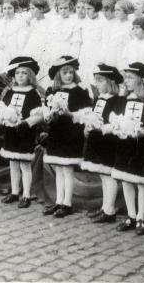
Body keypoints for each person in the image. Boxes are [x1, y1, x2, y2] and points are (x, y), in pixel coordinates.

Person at [111, 62, 144, 236]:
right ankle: (131, 215)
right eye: (126, 77)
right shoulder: (123, 100)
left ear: (141, 80)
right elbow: (115, 119)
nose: (126, 81)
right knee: (126, 180)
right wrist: (117, 128)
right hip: (125, 146)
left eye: (130, 77)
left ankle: (141, 216)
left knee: (141, 182)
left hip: (143, 147)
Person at [41, 56, 92, 218]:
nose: (68, 75)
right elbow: (46, 109)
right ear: (58, 74)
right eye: (65, 72)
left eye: (71, 72)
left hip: (71, 133)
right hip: (56, 132)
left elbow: (85, 113)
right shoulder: (53, 91)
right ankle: (59, 201)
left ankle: (67, 203)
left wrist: (69, 113)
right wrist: (49, 115)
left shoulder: (79, 91)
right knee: (59, 169)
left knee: (68, 169)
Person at [0, 57, 43, 208]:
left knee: (24, 164)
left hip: (25, 132)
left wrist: (24, 122)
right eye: (18, 73)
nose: (21, 76)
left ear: (30, 76)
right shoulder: (10, 92)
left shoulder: (33, 93)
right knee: (13, 163)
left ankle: (26, 195)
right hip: (11, 132)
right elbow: (3, 108)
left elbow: (37, 114)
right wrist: (5, 119)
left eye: (24, 73)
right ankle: (15, 191)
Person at [81, 64, 124, 223]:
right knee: (102, 175)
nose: (97, 84)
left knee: (108, 175)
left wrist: (100, 126)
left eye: (100, 81)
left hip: (108, 142)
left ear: (111, 83)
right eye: (96, 81)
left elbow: (114, 122)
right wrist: (87, 125)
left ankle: (110, 210)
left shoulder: (117, 101)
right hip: (96, 140)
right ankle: (105, 207)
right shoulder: (99, 99)